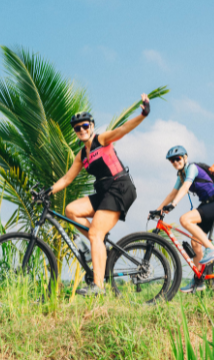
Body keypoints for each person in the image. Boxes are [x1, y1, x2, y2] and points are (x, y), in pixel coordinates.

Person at [48, 93, 151, 296]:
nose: (82, 130)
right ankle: (99, 244)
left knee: (95, 233)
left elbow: (123, 129)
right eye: (77, 128)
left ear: (92, 126)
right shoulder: (81, 155)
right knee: (71, 210)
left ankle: (98, 286)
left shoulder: (101, 140)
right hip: (104, 192)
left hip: (120, 187)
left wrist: (143, 115)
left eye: (85, 126)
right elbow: (67, 179)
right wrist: (48, 191)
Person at [156, 145, 214, 293]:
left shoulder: (192, 168)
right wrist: (158, 209)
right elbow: (172, 193)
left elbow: (185, 188)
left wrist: (174, 205)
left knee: (185, 219)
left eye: (177, 158)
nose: (175, 162)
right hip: (207, 204)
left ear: (185, 158)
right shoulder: (181, 175)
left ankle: (211, 249)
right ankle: (199, 280)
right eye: (172, 161)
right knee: (195, 243)